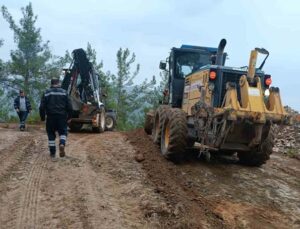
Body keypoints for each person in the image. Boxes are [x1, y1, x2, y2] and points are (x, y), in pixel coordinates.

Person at [39, 78, 72, 159]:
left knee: (51, 134)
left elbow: (41, 107)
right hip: (62, 116)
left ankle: (53, 153)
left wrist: (43, 117)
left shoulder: (46, 93)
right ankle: (62, 143)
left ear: (51, 83)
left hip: (50, 117)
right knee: (63, 132)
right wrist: (69, 117)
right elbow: (70, 106)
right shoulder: (64, 92)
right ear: (58, 83)